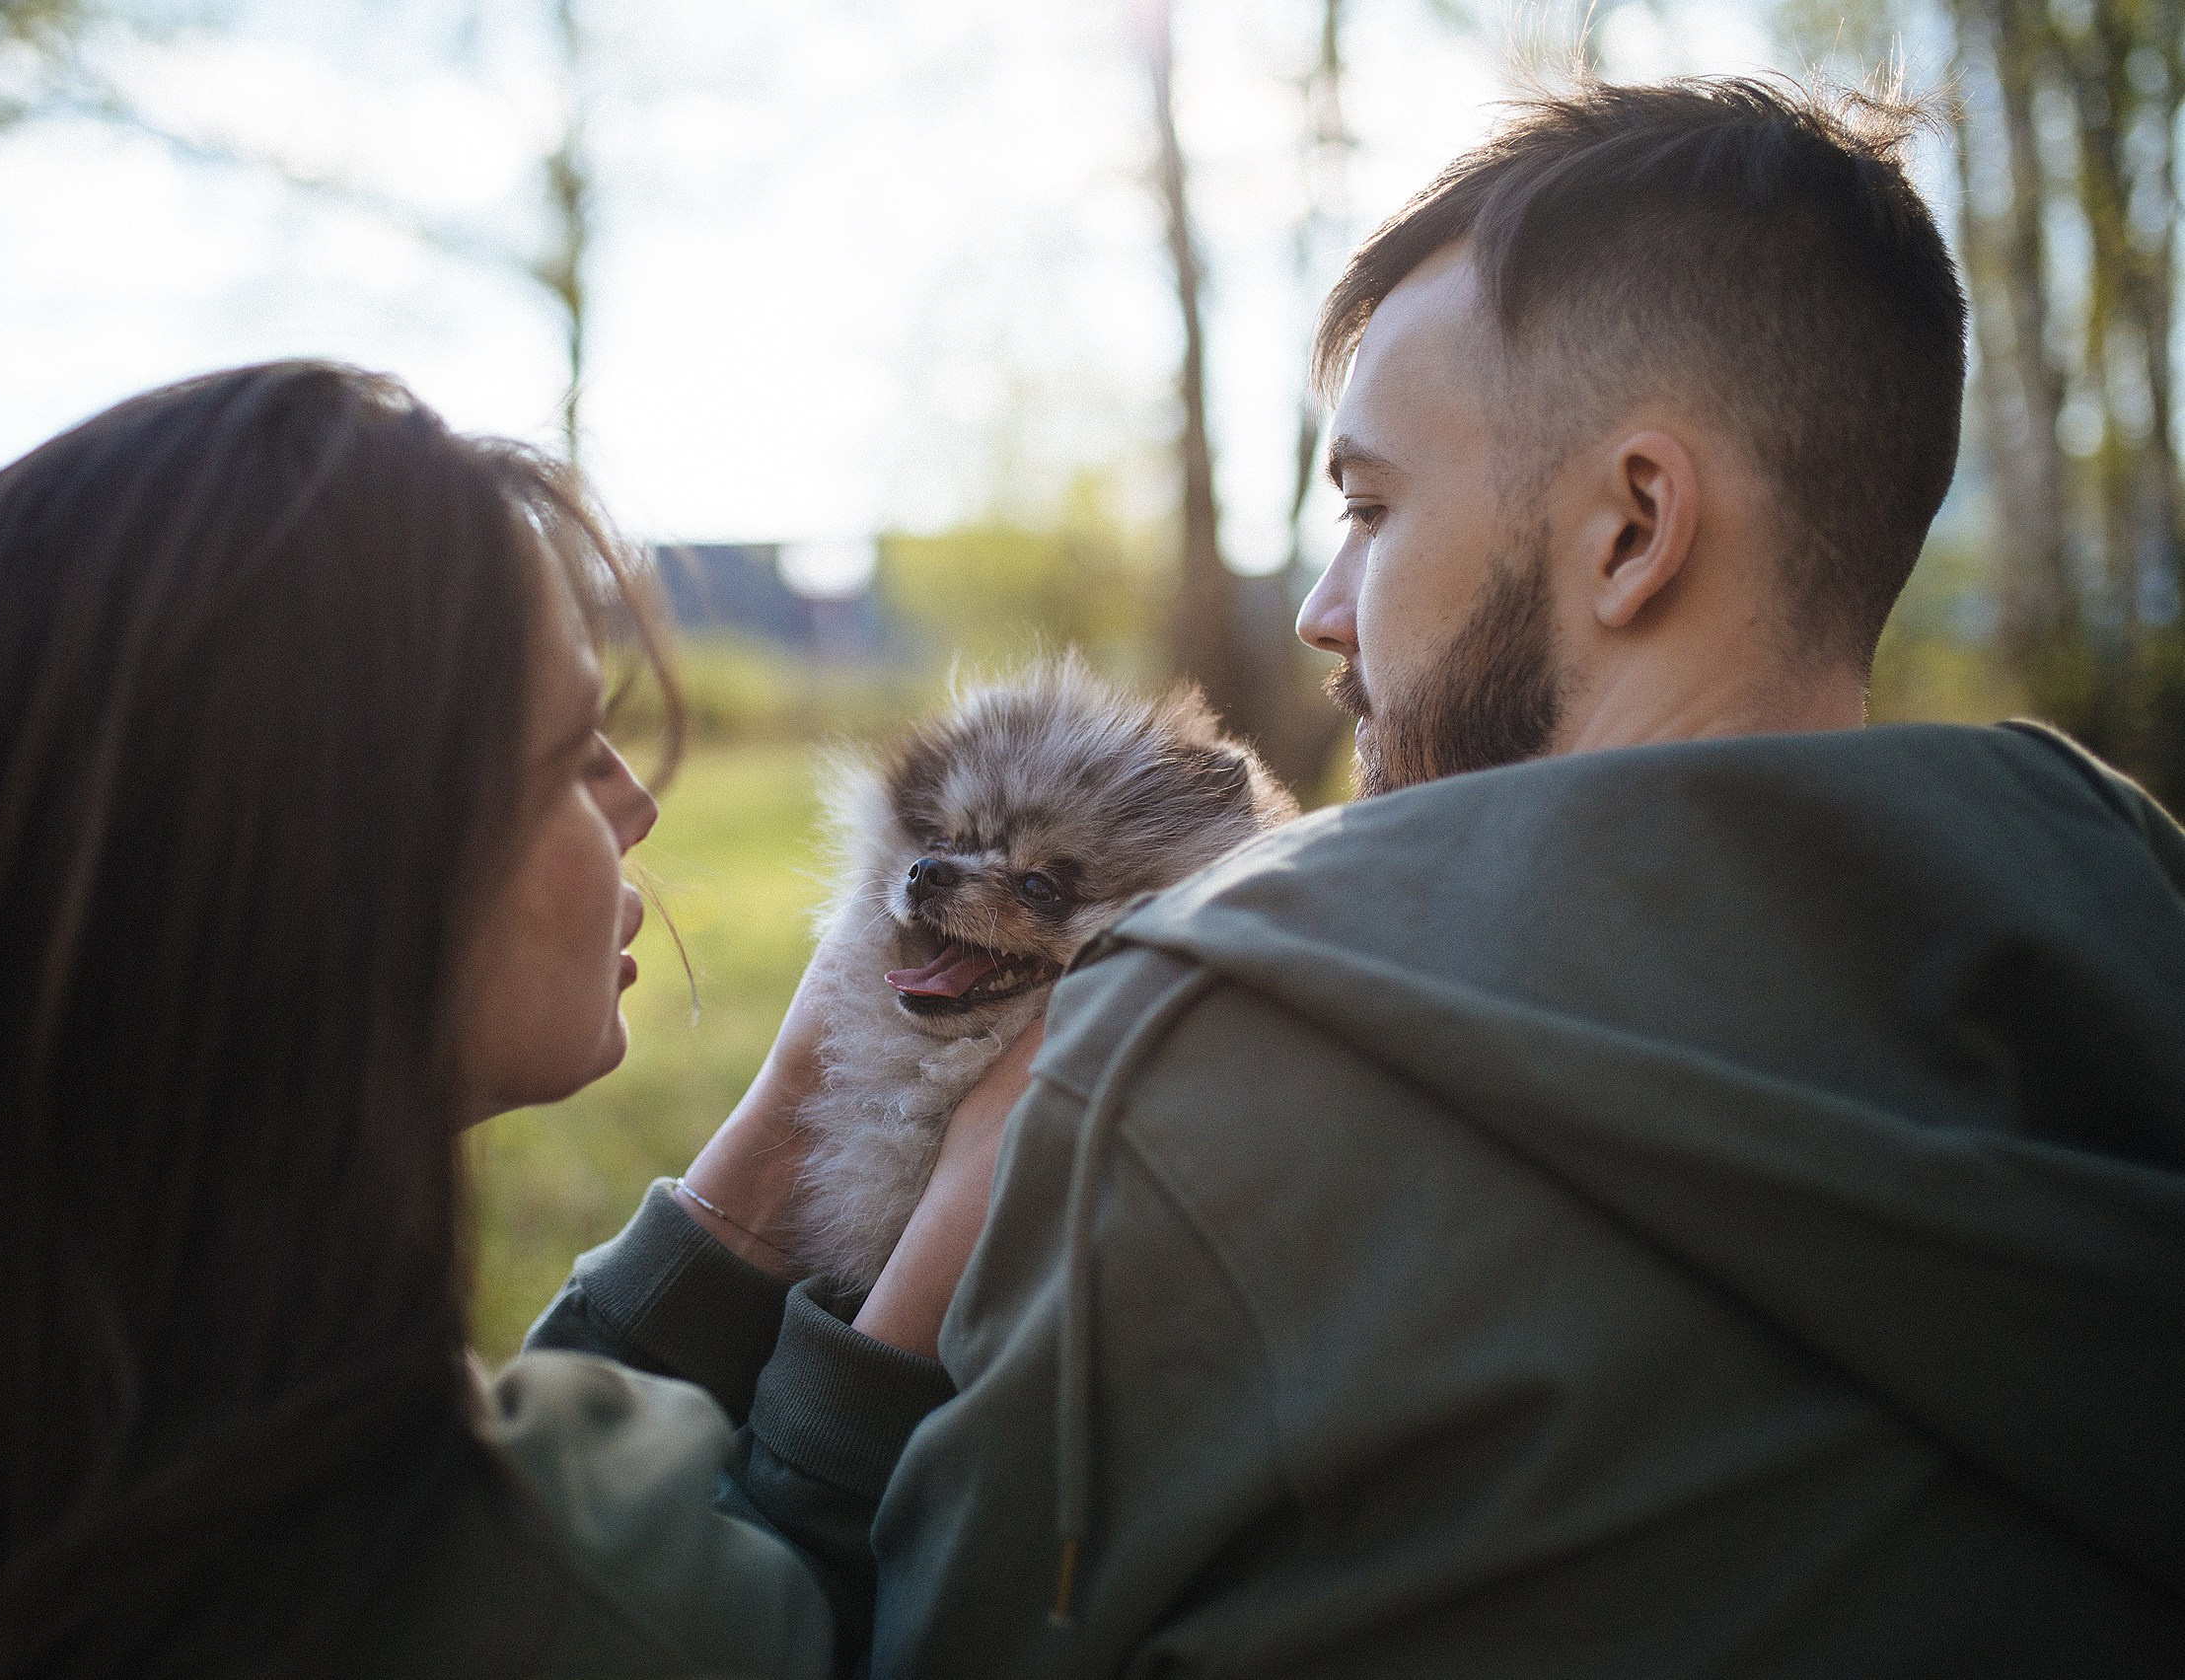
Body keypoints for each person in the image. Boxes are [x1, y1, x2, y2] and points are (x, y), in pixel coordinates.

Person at [546, 77, 2185, 1675]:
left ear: (1633, 528)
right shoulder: (2124, 966)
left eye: (1372, 507)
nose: (1325, 609)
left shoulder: (1197, 1078)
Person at [0, 361, 936, 1678]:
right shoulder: (434, 1588)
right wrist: (886, 1357)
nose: (634, 805)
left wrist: (801, 1109)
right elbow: (694, 1619)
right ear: (329, 873)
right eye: (569, 751)